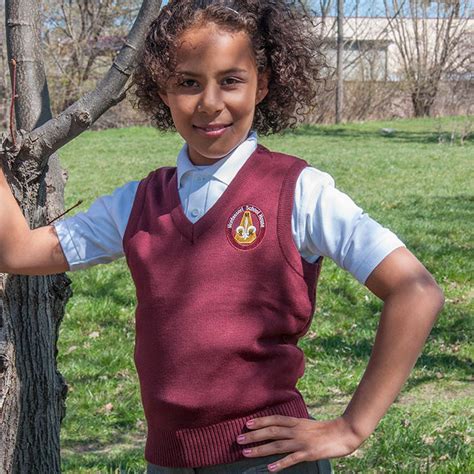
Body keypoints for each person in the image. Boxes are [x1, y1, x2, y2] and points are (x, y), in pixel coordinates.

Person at [0, 1, 444, 473]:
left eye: (230, 80)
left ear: (263, 84)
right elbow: (18, 250)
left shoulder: (299, 192)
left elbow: (416, 292)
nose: (210, 103)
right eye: (188, 83)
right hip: (167, 461)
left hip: (268, 459)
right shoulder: (139, 205)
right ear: (162, 91)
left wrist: (351, 427)